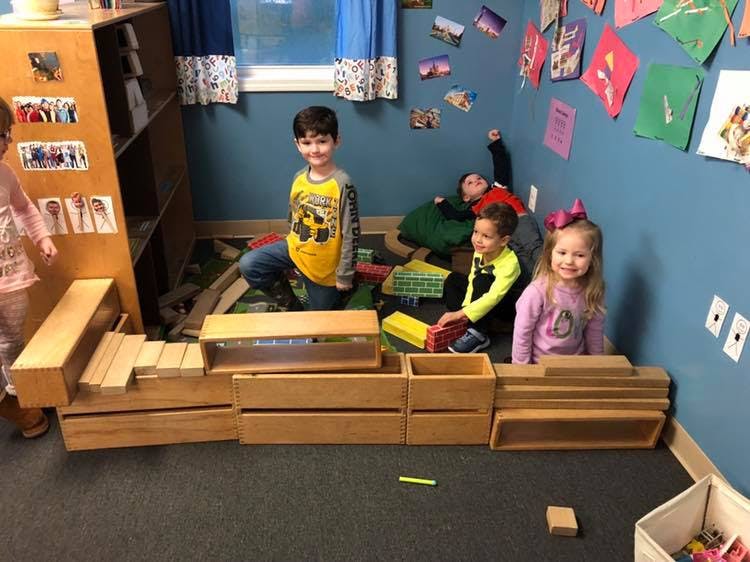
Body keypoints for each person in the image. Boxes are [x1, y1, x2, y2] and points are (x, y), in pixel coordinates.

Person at [239, 106, 360, 311]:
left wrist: (345, 275)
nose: (315, 149)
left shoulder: (342, 184)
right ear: (298, 145)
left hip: (324, 268)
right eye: (307, 142)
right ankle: (292, 306)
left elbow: (352, 233)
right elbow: (293, 215)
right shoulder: (299, 177)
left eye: (322, 141)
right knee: (249, 264)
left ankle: (343, 290)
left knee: (319, 323)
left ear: (336, 141)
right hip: (296, 250)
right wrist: (291, 255)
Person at [0, 96, 58, 438]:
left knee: (12, 340)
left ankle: (21, 392)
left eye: (8, 133)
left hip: (10, 279)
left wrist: (42, 239)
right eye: (2, 135)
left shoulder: (5, 173)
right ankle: (12, 403)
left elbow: (24, 209)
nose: (9, 141)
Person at [433, 129, 543, 292]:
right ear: (466, 197)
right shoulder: (476, 208)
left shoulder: (497, 188)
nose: (476, 181)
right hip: (501, 234)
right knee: (520, 257)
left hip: (519, 219)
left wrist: (495, 143)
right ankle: (537, 287)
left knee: (533, 245)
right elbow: (455, 215)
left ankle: (553, 276)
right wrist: (441, 203)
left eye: (478, 178)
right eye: (470, 183)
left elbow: (501, 165)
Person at [511, 198, 605, 364]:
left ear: (593, 259)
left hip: (575, 362)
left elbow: (595, 332)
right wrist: (521, 367)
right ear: (550, 254)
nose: (569, 261)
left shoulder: (593, 289)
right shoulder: (537, 291)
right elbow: (522, 332)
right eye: (562, 253)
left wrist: (597, 363)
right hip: (540, 363)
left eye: (579, 255)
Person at [437, 202, 521, 353]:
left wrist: (461, 313)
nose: (477, 240)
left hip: (503, 305)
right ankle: (467, 320)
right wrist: (466, 308)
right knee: (453, 279)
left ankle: (478, 333)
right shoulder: (480, 250)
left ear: (503, 241)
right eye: (476, 232)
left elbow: (493, 297)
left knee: (482, 280)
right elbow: (472, 277)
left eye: (486, 236)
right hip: (481, 293)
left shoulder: (510, 264)